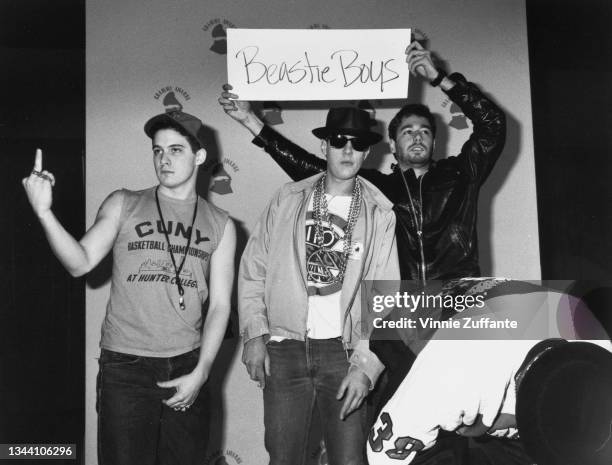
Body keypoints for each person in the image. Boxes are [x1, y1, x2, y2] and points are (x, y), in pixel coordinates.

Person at [22, 110, 236, 465]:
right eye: (157, 150)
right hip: (126, 367)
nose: (164, 159)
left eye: (176, 150)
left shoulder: (221, 224)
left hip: (187, 362)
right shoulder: (125, 202)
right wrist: (44, 212)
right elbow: (79, 263)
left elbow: (220, 307)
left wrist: (203, 370)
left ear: (199, 156)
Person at [238, 107, 400, 465]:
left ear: (367, 152)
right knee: (283, 459)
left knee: (348, 460)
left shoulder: (379, 213)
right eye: (339, 141)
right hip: (285, 347)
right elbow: (254, 268)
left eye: (357, 145)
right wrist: (253, 335)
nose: (347, 151)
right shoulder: (288, 198)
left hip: (343, 355)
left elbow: (385, 297)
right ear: (325, 145)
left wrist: (366, 365)